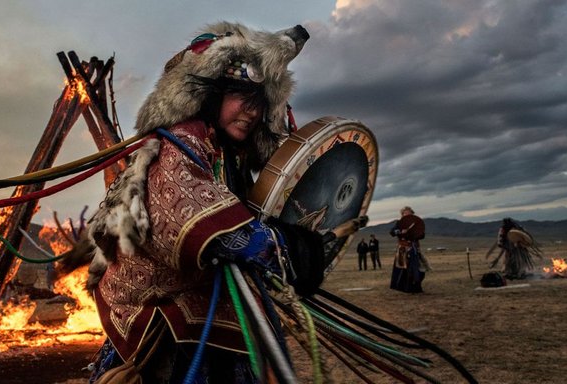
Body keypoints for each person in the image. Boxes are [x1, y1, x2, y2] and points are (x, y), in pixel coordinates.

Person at [82, 22, 363, 383]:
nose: (251, 111)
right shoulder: (177, 144)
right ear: (212, 95)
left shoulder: (229, 156)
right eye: (240, 96)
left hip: (211, 315)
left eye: (260, 103)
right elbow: (204, 225)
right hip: (164, 329)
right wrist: (285, 248)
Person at [389, 206, 427, 293]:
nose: (408, 215)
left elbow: (422, 235)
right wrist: (401, 231)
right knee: (405, 270)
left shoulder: (416, 223)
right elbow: (392, 232)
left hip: (414, 248)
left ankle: (416, 287)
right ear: (402, 215)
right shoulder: (399, 223)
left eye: (409, 214)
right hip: (403, 249)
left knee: (419, 269)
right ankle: (406, 288)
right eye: (406, 214)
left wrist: (416, 234)